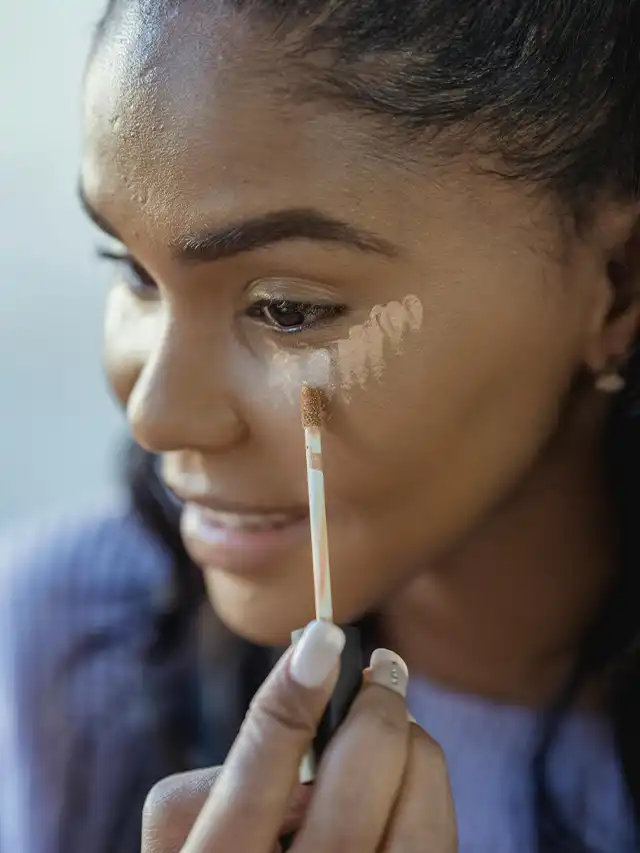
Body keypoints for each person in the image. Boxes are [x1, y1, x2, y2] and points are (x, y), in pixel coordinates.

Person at [3, 0, 640, 850]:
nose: (155, 417)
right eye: (134, 272)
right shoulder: (73, 639)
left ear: (619, 281)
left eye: (289, 309)